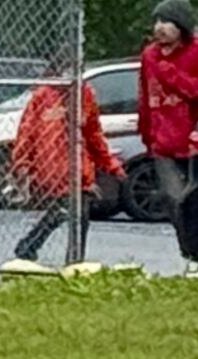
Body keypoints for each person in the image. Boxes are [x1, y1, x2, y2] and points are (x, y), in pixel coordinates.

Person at [8, 73, 119, 261]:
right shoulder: (42, 96)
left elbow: (93, 133)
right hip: (52, 165)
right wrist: (22, 162)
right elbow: (26, 132)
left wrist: (110, 164)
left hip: (79, 166)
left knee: (77, 213)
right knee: (69, 210)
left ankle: (61, 255)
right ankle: (41, 248)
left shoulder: (85, 94)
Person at [137, 0, 198, 216]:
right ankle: (187, 245)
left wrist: (170, 74)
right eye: (157, 21)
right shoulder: (149, 55)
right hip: (162, 143)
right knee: (175, 199)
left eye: (166, 21)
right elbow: (145, 98)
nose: (159, 28)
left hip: (193, 141)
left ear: (181, 24)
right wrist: (147, 135)